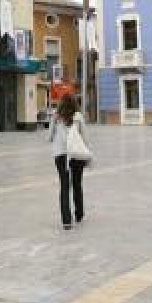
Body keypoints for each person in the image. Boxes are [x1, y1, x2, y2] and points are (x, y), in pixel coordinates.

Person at [48, 93, 88, 230]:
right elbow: (84, 137)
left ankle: (66, 220)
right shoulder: (78, 116)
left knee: (64, 185)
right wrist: (87, 154)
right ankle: (79, 214)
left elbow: (49, 137)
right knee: (77, 183)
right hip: (76, 153)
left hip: (60, 155)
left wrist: (54, 127)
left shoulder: (56, 116)